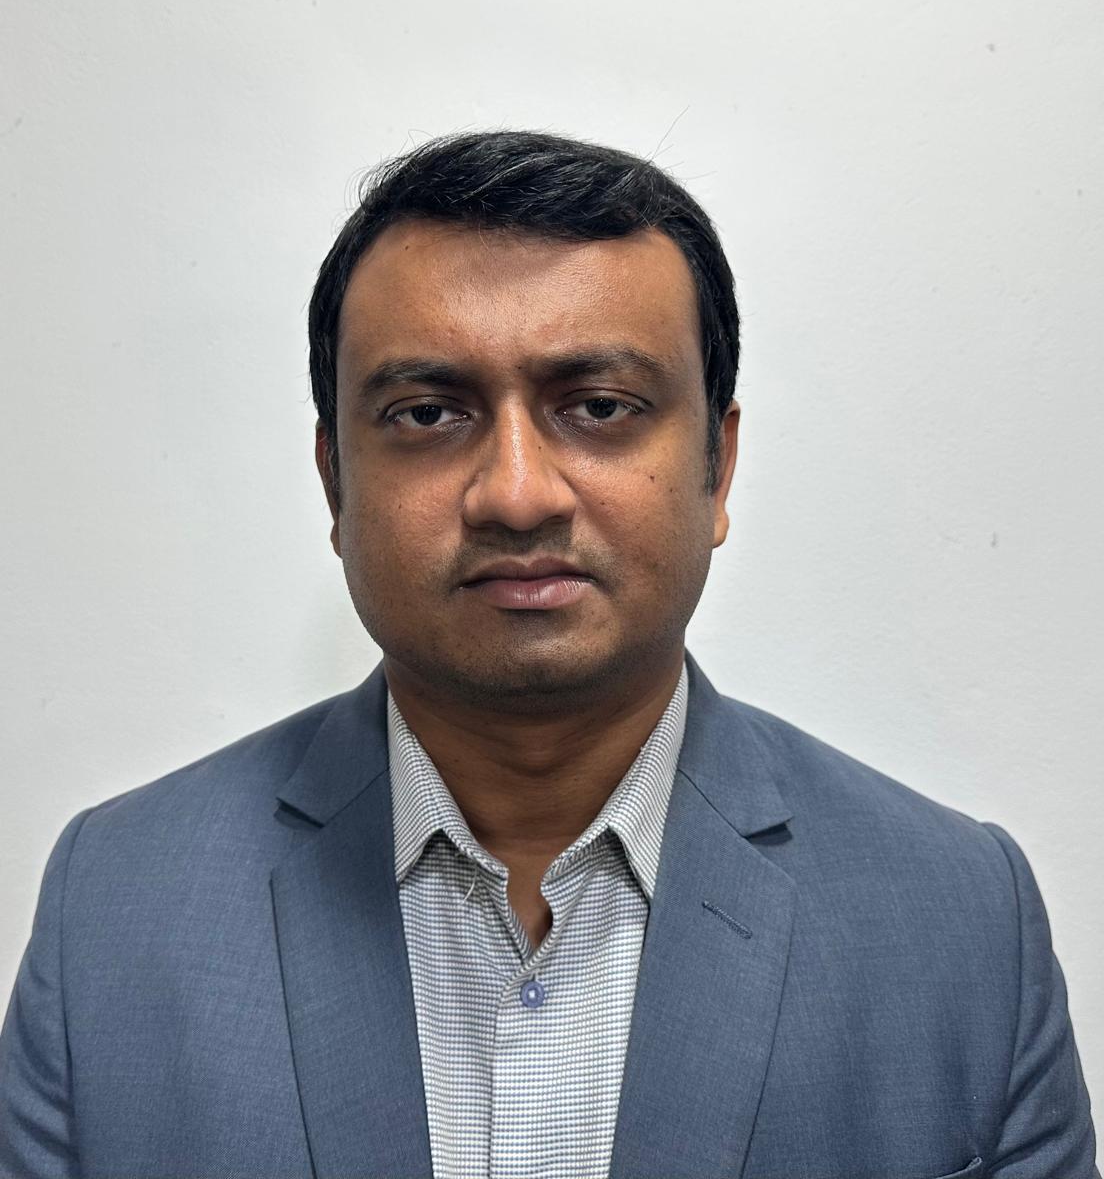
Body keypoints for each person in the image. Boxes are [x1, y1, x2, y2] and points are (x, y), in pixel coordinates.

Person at [0, 130, 1096, 1179]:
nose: (517, 494)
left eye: (600, 406)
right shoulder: (117, 906)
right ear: (334, 481)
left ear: (717, 464)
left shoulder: (960, 918)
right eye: (428, 413)